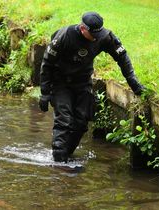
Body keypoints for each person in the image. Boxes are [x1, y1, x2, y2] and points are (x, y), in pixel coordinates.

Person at [39, 12, 145, 162]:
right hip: (60, 82)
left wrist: (133, 82)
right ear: (82, 28)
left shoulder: (104, 36)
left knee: (81, 122)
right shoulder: (64, 37)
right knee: (64, 120)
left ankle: (64, 157)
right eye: (93, 34)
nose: (96, 38)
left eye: (99, 34)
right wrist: (44, 93)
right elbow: (46, 64)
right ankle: (59, 161)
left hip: (82, 81)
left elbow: (122, 57)